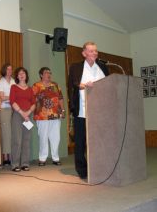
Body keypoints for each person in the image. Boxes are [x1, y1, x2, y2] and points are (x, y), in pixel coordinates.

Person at [68, 41, 109, 179]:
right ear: (84, 53)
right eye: (91, 51)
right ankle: (82, 170)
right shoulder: (76, 67)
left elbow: (109, 85)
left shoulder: (102, 67)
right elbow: (73, 83)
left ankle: (98, 166)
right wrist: (84, 85)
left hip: (99, 112)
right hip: (82, 111)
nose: (95, 53)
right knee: (80, 142)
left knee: (99, 140)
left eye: (96, 51)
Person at [32, 67, 65, 166]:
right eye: (46, 73)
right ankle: (42, 158)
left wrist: (62, 110)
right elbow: (32, 99)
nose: (49, 74)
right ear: (41, 75)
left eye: (50, 73)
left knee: (56, 137)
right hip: (42, 116)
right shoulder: (36, 85)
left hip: (55, 114)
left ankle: (56, 158)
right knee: (43, 137)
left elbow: (60, 98)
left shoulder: (55, 85)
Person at [10, 67, 35, 172]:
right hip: (17, 114)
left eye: (23, 73)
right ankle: (15, 164)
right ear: (17, 76)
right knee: (17, 140)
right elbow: (12, 100)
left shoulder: (30, 89)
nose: (21, 75)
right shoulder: (14, 87)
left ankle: (25, 163)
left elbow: (34, 103)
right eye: (19, 73)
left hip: (28, 116)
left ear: (26, 75)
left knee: (26, 140)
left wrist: (28, 113)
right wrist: (22, 113)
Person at [0, 63, 15, 166]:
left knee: (12, 133)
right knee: (5, 133)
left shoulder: (13, 81)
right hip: (4, 109)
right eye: (8, 69)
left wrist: (10, 97)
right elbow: (1, 97)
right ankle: (5, 157)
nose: (10, 71)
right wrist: (12, 97)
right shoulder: (1, 82)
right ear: (4, 70)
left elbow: (7, 96)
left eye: (11, 69)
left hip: (13, 109)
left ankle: (12, 156)